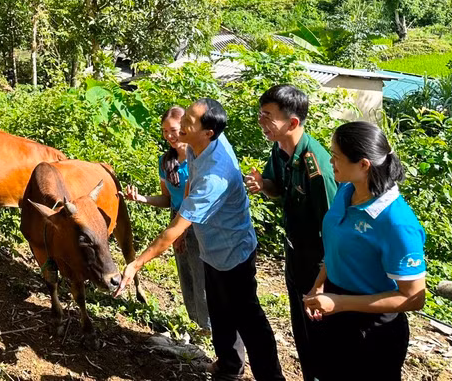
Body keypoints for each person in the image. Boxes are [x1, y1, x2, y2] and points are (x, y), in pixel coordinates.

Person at [116, 99, 285, 381]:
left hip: (234, 252)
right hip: (211, 248)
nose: (181, 127)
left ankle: (271, 377)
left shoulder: (215, 175)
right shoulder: (199, 145)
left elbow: (174, 230)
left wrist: (136, 264)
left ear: (208, 132)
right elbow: (189, 184)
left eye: (188, 123)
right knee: (219, 311)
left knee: (248, 318)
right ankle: (229, 366)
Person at [304, 121, 426, 381]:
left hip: (372, 330)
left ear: (363, 165)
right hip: (337, 311)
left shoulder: (396, 221)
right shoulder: (347, 190)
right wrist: (319, 286)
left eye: (336, 156)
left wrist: (340, 303)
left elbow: (414, 298)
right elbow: (339, 246)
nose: (330, 160)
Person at [244, 85, 336, 381]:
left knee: (321, 334)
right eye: (261, 113)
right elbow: (276, 186)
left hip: (319, 262)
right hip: (295, 254)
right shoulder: (280, 148)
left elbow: (332, 227)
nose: (261, 121)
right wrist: (263, 186)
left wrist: (323, 280)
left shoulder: (316, 165)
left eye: (267, 116)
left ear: (293, 122)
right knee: (302, 330)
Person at [122, 106, 210, 332]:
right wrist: (141, 198)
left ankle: (210, 328)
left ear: (187, 128)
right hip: (177, 220)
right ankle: (197, 325)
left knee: (203, 278)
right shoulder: (166, 162)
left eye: (174, 130)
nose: (169, 136)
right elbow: (167, 198)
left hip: (200, 224)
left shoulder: (200, 158)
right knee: (186, 274)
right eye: (165, 132)